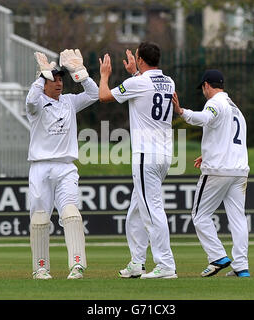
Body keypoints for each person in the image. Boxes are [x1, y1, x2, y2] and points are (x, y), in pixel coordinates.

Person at [99, 41, 177, 279]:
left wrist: (105, 75)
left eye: (137, 59)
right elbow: (147, 91)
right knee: (136, 211)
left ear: (141, 60)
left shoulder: (138, 82)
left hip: (146, 156)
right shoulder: (168, 81)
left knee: (152, 211)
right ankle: (137, 262)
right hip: (163, 155)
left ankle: (165, 265)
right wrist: (135, 72)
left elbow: (104, 96)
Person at [26, 50, 98, 280]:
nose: (58, 83)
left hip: (66, 167)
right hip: (40, 168)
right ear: (44, 82)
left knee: (70, 213)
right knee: (39, 218)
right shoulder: (36, 106)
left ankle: (77, 265)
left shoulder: (69, 102)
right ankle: (40, 268)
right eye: (53, 79)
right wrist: (41, 76)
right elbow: (30, 99)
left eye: (60, 79)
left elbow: (94, 94)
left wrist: (80, 72)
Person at [172, 69, 250, 278]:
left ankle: (217, 256)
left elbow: (205, 118)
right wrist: (207, 154)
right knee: (238, 219)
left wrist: (181, 112)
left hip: (218, 171)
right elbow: (228, 138)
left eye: (203, 88)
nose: (203, 92)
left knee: (199, 215)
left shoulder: (215, 103)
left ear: (207, 85)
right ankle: (241, 266)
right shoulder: (236, 109)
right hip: (239, 170)